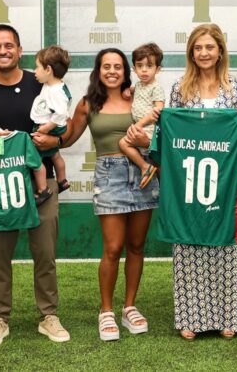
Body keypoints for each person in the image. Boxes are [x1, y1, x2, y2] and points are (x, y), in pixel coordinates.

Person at [0, 24, 70, 347]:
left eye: (9, 45)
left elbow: (61, 128)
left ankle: (48, 316)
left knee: (45, 253)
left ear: (20, 50)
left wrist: (52, 139)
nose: (3, 50)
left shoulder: (39, 81)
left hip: (42, 181)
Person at [60, 48, 159, 341]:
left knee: (137, 245)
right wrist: (48, 129)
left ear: (125, 70)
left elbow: (158, 127)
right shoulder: (88, 103)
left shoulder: (138, 96)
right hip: (109, 173)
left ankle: (129, 307)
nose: (113, 71)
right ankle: (106, 311)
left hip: (143, 171)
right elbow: (67, 139)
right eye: (107, 66)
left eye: (118, 66)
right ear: (98, 70)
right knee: (113, 248)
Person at [167, 23, 237, 340]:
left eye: (209, 47)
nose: (204, 53)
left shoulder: (235, 88)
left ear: (220, 51)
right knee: (189, 245)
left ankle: (228, 317)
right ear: (191, 52)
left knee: (226, 245)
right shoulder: (179, 89)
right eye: (198, 48)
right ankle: (191, 318)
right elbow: (172, 133)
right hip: (188, 180)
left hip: (226, 181)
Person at [118, 43, 166, 188]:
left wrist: (138, 125)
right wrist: (128, 90)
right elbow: (135, 89)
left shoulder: (156, 88)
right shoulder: (139, 85)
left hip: (150, 129)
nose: (144, 70)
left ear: (157, 69)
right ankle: (148, 167)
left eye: (149, 66)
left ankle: (146, 167)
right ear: (134, 69)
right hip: (142, 128)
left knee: (123, 143)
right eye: (140, 66)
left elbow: (158, 110)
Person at [30, 45, 72, 204]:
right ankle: (62, 181)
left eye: (37, 67)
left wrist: (47, 128)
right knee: (55, 155)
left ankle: (43, 189)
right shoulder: (52, 85)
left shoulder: (56, 91)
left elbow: (61, 113)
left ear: (48, 70)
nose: (34, 71)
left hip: (49, 127)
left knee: (34, 158)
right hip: (50, 125)